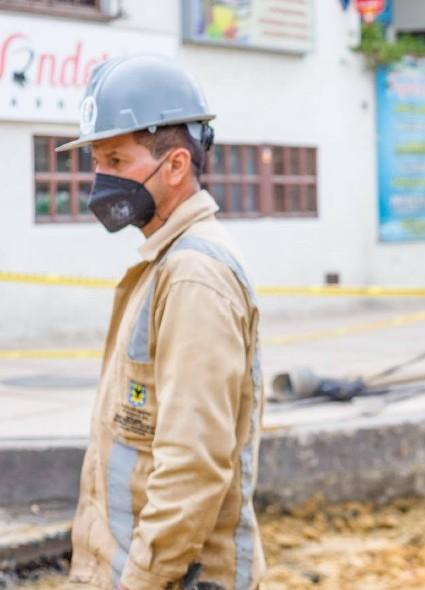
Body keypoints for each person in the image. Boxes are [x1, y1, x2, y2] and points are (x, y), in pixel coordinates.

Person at [59, 55, 265, 590]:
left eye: (114, 159)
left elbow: (191, 467)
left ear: (175, 166)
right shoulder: (165, 262)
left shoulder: (193, 275)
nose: (99, 177)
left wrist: (141, 581)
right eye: (96, 160)